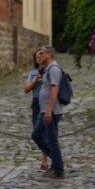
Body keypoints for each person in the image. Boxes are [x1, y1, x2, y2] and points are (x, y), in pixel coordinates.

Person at [31, 45, 65, 179]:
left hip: (51, 111)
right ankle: (57, 161)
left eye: (42, 53)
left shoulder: (54, 69)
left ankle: (58, 169)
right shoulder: (46, 70)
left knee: (52, 140)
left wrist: (49, 110)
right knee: (36, 135)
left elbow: (54, 90)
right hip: (43, 110)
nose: (38, 56)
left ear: (49, 55)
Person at [24, 51, 50, 171]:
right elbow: (26, 89)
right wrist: (36, 79)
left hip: (48, 103)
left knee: (47, 131)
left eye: (41, 55)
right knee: (37, 132)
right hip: (36, 103)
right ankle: (49, 155)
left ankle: (45, 160)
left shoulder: (51, 69)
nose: (39, 58)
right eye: (36, 57)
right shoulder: (33, 73)